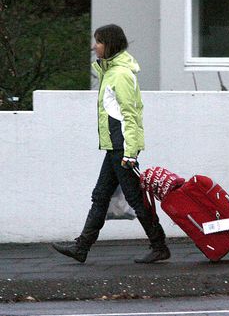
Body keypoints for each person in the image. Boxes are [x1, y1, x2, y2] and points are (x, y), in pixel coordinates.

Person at [51, 24, 170, 263]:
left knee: (135, 199)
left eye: (99, 42)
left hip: (122, 149)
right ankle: (81, 247)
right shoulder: (111, 72)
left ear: (110, 44)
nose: (95, 46)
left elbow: (131, 114)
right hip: (114, 148)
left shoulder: (121, 75)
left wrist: (130, 152)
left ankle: (159, 246)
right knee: (101, 196)